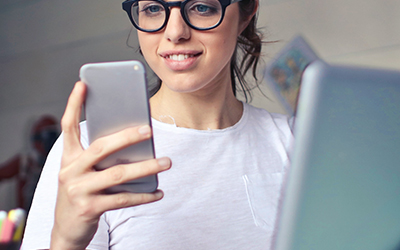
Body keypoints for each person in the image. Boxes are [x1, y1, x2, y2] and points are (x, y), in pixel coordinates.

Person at [21, 0, 294, 249]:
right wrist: (66, 241)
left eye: (201, 7)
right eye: (153, 8)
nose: (175, 32)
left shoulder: (297, 143)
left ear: (246, 14)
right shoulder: (88, 148)